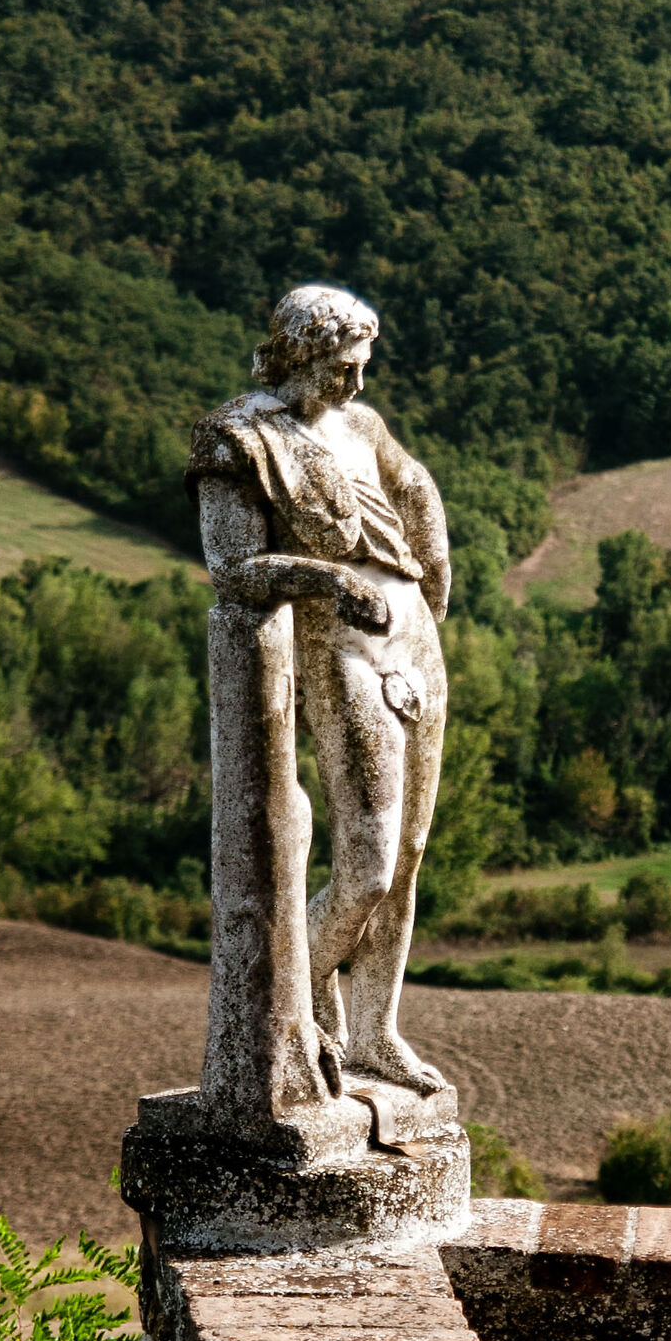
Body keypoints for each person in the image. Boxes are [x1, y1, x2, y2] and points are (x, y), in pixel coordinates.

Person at [188, 284, 450, 1097]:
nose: (357, 385)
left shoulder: (360, 425)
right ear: (299, 355)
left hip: (412, 638)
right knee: (367, 862)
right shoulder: (238, 438)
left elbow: (411, 488)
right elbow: (233, 569)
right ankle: (296, 1002)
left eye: (364, 367)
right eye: (343, 368)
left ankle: (374, 1032)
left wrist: (432, 571)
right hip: (340, 646)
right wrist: (328, 581)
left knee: (406, 858)